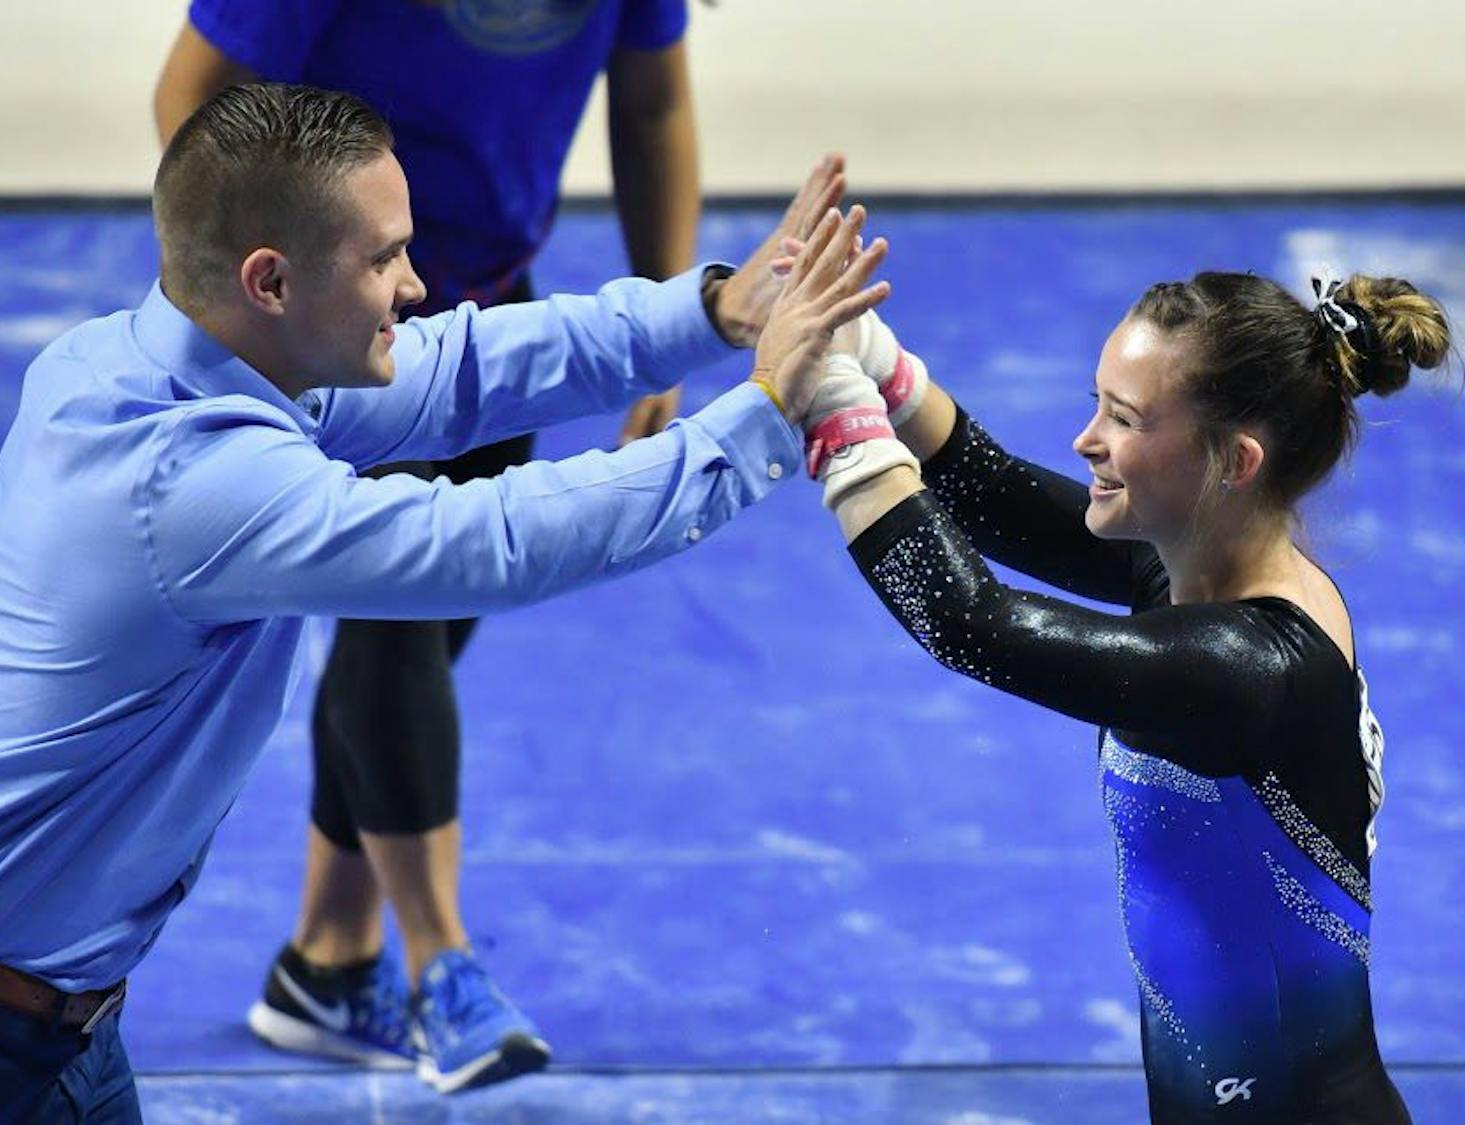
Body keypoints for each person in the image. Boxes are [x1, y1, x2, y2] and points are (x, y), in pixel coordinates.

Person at [0, 81, 887, 1120]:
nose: (413, 285)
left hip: (63, 1019)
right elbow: (496, 539)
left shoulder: (126, 359)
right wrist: (772, 414)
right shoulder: (198, 488)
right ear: (272, 280)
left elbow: (458, 368)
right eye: (382, 258)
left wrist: (712, 311)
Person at [151, 0, 704, 1087]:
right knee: (395, 612)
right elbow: (188, 97)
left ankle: (327, 958)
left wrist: (667, 320)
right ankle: (439, 959)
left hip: (489, 312)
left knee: (418, 632)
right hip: (336, 327)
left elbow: (655, 101)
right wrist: (259, 305)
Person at [793, 272, 1448, 1121]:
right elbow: (990, 492)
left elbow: (970, 622)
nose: (1084, 439)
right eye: (1096, 402)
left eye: (1125, 419)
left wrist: (831, 407)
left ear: (1234, 461)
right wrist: (862, 349)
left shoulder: (1245, 666)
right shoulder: (1195, 572)